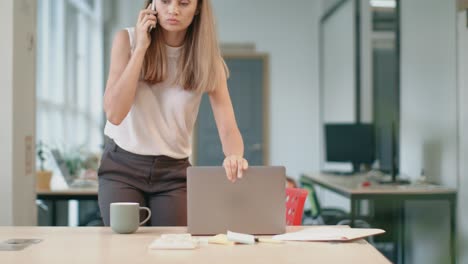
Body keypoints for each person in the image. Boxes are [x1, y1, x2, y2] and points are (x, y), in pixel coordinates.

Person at [98, 0, 248, 227]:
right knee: (125, 247)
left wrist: (235, 155)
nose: (173, 10)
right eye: (165, 1)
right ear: (152, 3)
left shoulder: (208, 61)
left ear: (197, 8)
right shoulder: (125, 41)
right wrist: (140, 48)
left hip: (173, 174)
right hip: (123, 167)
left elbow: (227, 127)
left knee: (173, 249)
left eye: (184, 3)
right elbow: (115, 114)